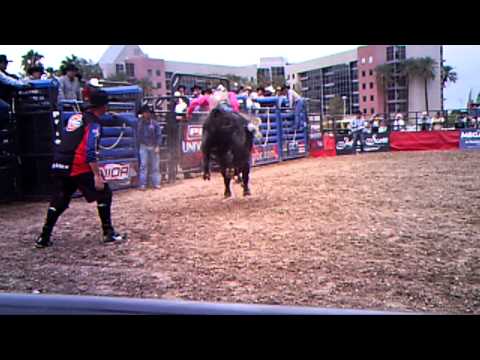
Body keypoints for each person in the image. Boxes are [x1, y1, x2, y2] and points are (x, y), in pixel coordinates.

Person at [34, 90, 125, 248]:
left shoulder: (76, 117)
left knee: (60, 199)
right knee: (104, 192)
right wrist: (97, 175)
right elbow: (90, 150)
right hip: (77, 164)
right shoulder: (94, 123)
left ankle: (44, 236)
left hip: (59, 162)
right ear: (103, 106)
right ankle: (108, 232)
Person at [137, 105, 162, 190]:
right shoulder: (139, 122)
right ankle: (143, 184)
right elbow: (129, 121)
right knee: (144, 165)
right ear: (143, 113)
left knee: (155, 166)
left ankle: (156, 184)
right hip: (144, 146)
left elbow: (159, 135)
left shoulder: (154, 123)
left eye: (148, 112)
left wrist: (158, 146)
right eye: (145, 112)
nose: (147, 114)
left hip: (153, 146)